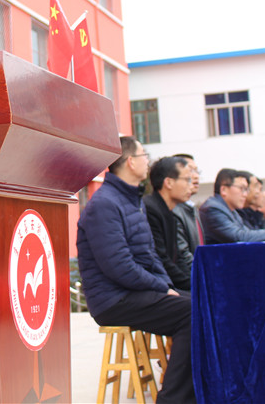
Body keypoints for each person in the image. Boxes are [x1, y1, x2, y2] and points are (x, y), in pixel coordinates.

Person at [77, 137, 196, 403]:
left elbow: (149, 256)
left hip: (133, 291)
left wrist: (168, 287)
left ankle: (200, 390)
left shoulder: (132, 200)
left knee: (202, 305)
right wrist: (162, 288)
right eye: (145, 155)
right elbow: (117, 266)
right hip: (112, 299)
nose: (148, 161)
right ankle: (173, 399)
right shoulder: (104, 204)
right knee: (191, 313)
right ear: (131, 162)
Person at [144, 157, 194, 291]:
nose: (191, 185)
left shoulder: (169, 212)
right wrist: (193, 285)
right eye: (187, 180)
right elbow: (161, 259)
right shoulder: (150, 209)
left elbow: (178, 260)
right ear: (169, 182)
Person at [198, 169, 265, 244]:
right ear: (224, 190)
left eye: (246, 190)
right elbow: (239, 237)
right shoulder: (213, 209)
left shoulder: (231, 210)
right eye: (242, 189)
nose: (245, 194)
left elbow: (247, 232)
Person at [172, 154, 202, 277]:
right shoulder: (174, 210)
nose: (195, 176)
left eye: (197, 171)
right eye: (190, 171)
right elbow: (183, 257)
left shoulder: (192, 208)